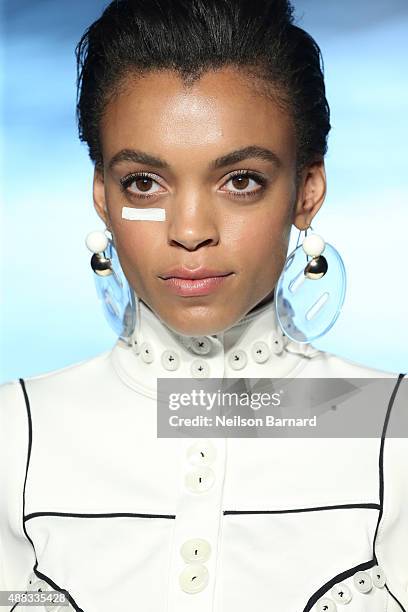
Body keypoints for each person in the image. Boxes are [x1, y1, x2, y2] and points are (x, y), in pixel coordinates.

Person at [0, 1, 407, 611]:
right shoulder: (14, 435)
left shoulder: (391, 432)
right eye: (144, 181)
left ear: (308, 190)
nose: (190, 230)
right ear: (102, 196)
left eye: (240, 180)